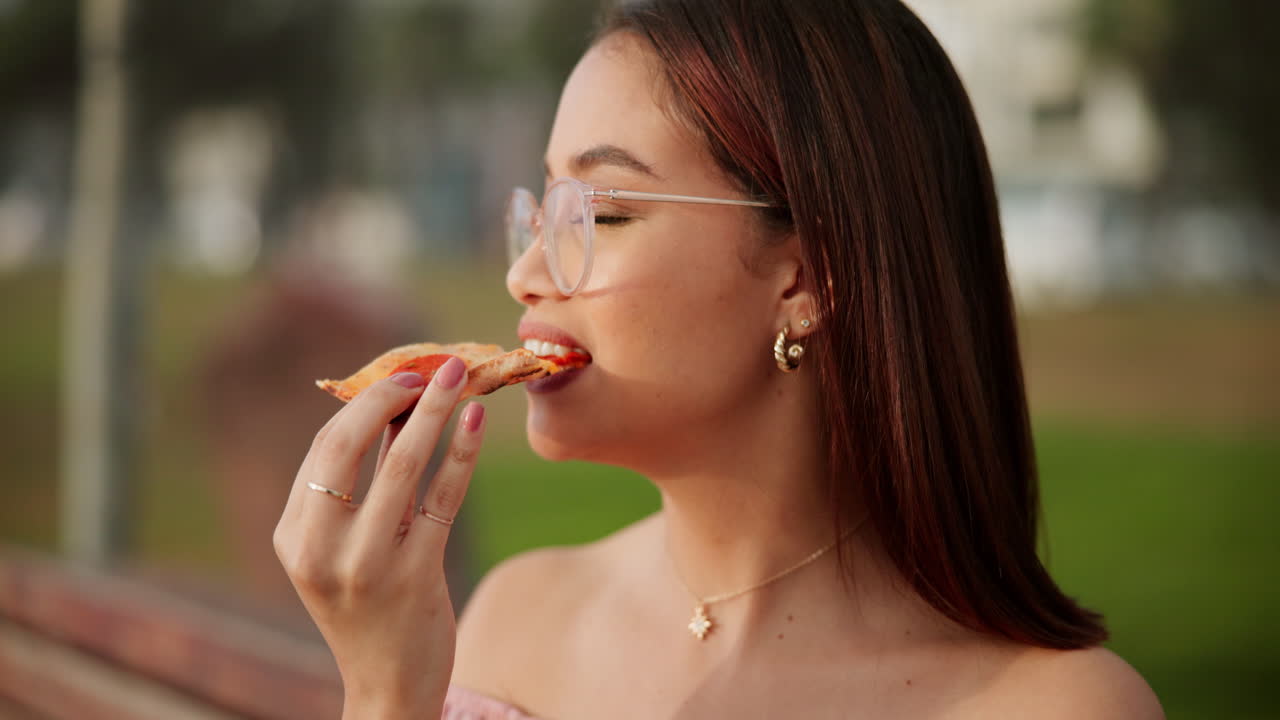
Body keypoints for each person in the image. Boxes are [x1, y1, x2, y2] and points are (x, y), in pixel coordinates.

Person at [273, 1, 1166, 717]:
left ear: (808, 275)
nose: (524, 271)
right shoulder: (513, 614)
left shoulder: (1058, 706)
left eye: (601, 214)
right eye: (541, 211)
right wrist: (384, 692)